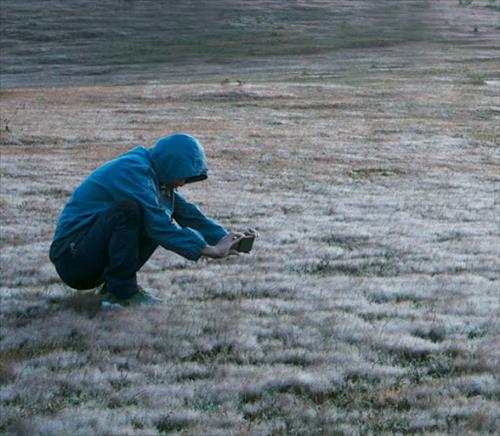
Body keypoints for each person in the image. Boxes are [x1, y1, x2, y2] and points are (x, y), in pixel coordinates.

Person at [49, 133, 256, 308]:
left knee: (156, 212)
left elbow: (188, 214)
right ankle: (122, 294)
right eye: (182, 176)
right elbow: (159, 225)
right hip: (72, 261)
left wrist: (225, 237)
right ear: (170, 166)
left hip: (90, 260)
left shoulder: (155, 176)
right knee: (132, 212)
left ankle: (114, 289)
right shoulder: (133, 172)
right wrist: (208, 249)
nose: (183, 182)